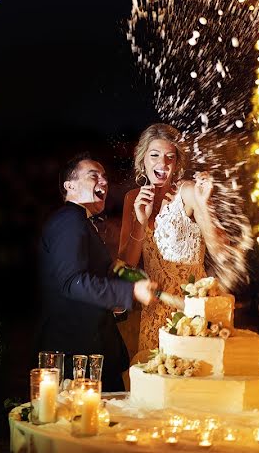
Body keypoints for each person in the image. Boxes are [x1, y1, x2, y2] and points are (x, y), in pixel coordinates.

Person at [36, 152, 158, 392]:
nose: (103, 181)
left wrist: (128, 287)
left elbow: (101, 273)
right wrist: (130, 290)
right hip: (77, 354)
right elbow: (72, 282)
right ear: (69, 186)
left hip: (94, 348)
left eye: (105, 177)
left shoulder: (81, 222)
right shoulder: (69, 220)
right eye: (94, 176)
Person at [118, 123, 230, 361]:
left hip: (192, 308)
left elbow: (219, 249)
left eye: (170, 157)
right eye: (155, 155)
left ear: (177, 163)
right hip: (154, 309)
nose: (163, 163)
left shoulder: (187, 192)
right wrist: (140, 220)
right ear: (143, 161)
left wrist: (205, 204)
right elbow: (125, 265)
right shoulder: (132, 199)